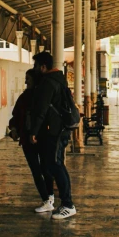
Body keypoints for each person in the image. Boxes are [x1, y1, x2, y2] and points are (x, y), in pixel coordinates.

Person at [29, 51, 77, 220]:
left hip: (55, 130)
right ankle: (58, 201)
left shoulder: (48, 83)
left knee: (56, 164)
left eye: (36, 66)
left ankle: (68, 204)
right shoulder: (58, 79)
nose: (34, 69)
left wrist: (33, 132)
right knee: (52, 164)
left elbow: (41, 111)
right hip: (58, 129)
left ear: (43, 67)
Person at [9, 69, 55, 213]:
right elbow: (15, 116)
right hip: (27, 138)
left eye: (28, 79)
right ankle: (46, 198)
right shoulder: (24, 97)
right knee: (36, 169)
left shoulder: (42, 96)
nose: (25, 81)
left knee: (45, 168)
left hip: (42, 137)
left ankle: (49, 197)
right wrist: (14, 128)